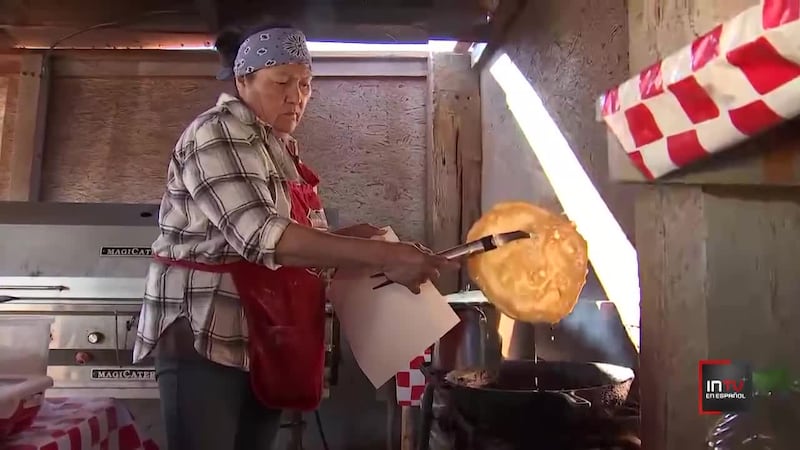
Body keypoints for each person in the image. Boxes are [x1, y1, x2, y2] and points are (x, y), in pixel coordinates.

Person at [132, 24, 455, 450]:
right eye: (281, 82)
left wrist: (353, 241)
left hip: (264, 336)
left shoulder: (278, 147)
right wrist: (380, 254)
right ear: (243, 81)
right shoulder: (216, 132)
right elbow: (262, 236)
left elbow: (300, 238)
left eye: (305, 84)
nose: (296, 96)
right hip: (205, 334)